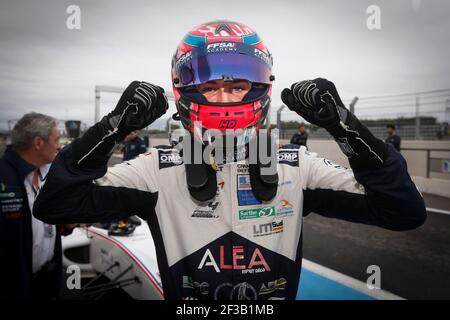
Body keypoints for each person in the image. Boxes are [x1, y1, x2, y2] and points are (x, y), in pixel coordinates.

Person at [34, 20, 426, 300]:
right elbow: (55, 204)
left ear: (259, 86)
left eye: (237, 86)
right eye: (209, 87)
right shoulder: (156, 168)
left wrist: (345, 125)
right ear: (185, 89)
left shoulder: (296, 164)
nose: (224, 100)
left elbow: (402, 211)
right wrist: (112, 128)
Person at [0, 112, 62, 300]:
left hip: (49, 281)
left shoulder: (48, 173)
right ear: (38, 143)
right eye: (56, 139)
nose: (59, 146)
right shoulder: (3, 176)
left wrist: (63, 224)